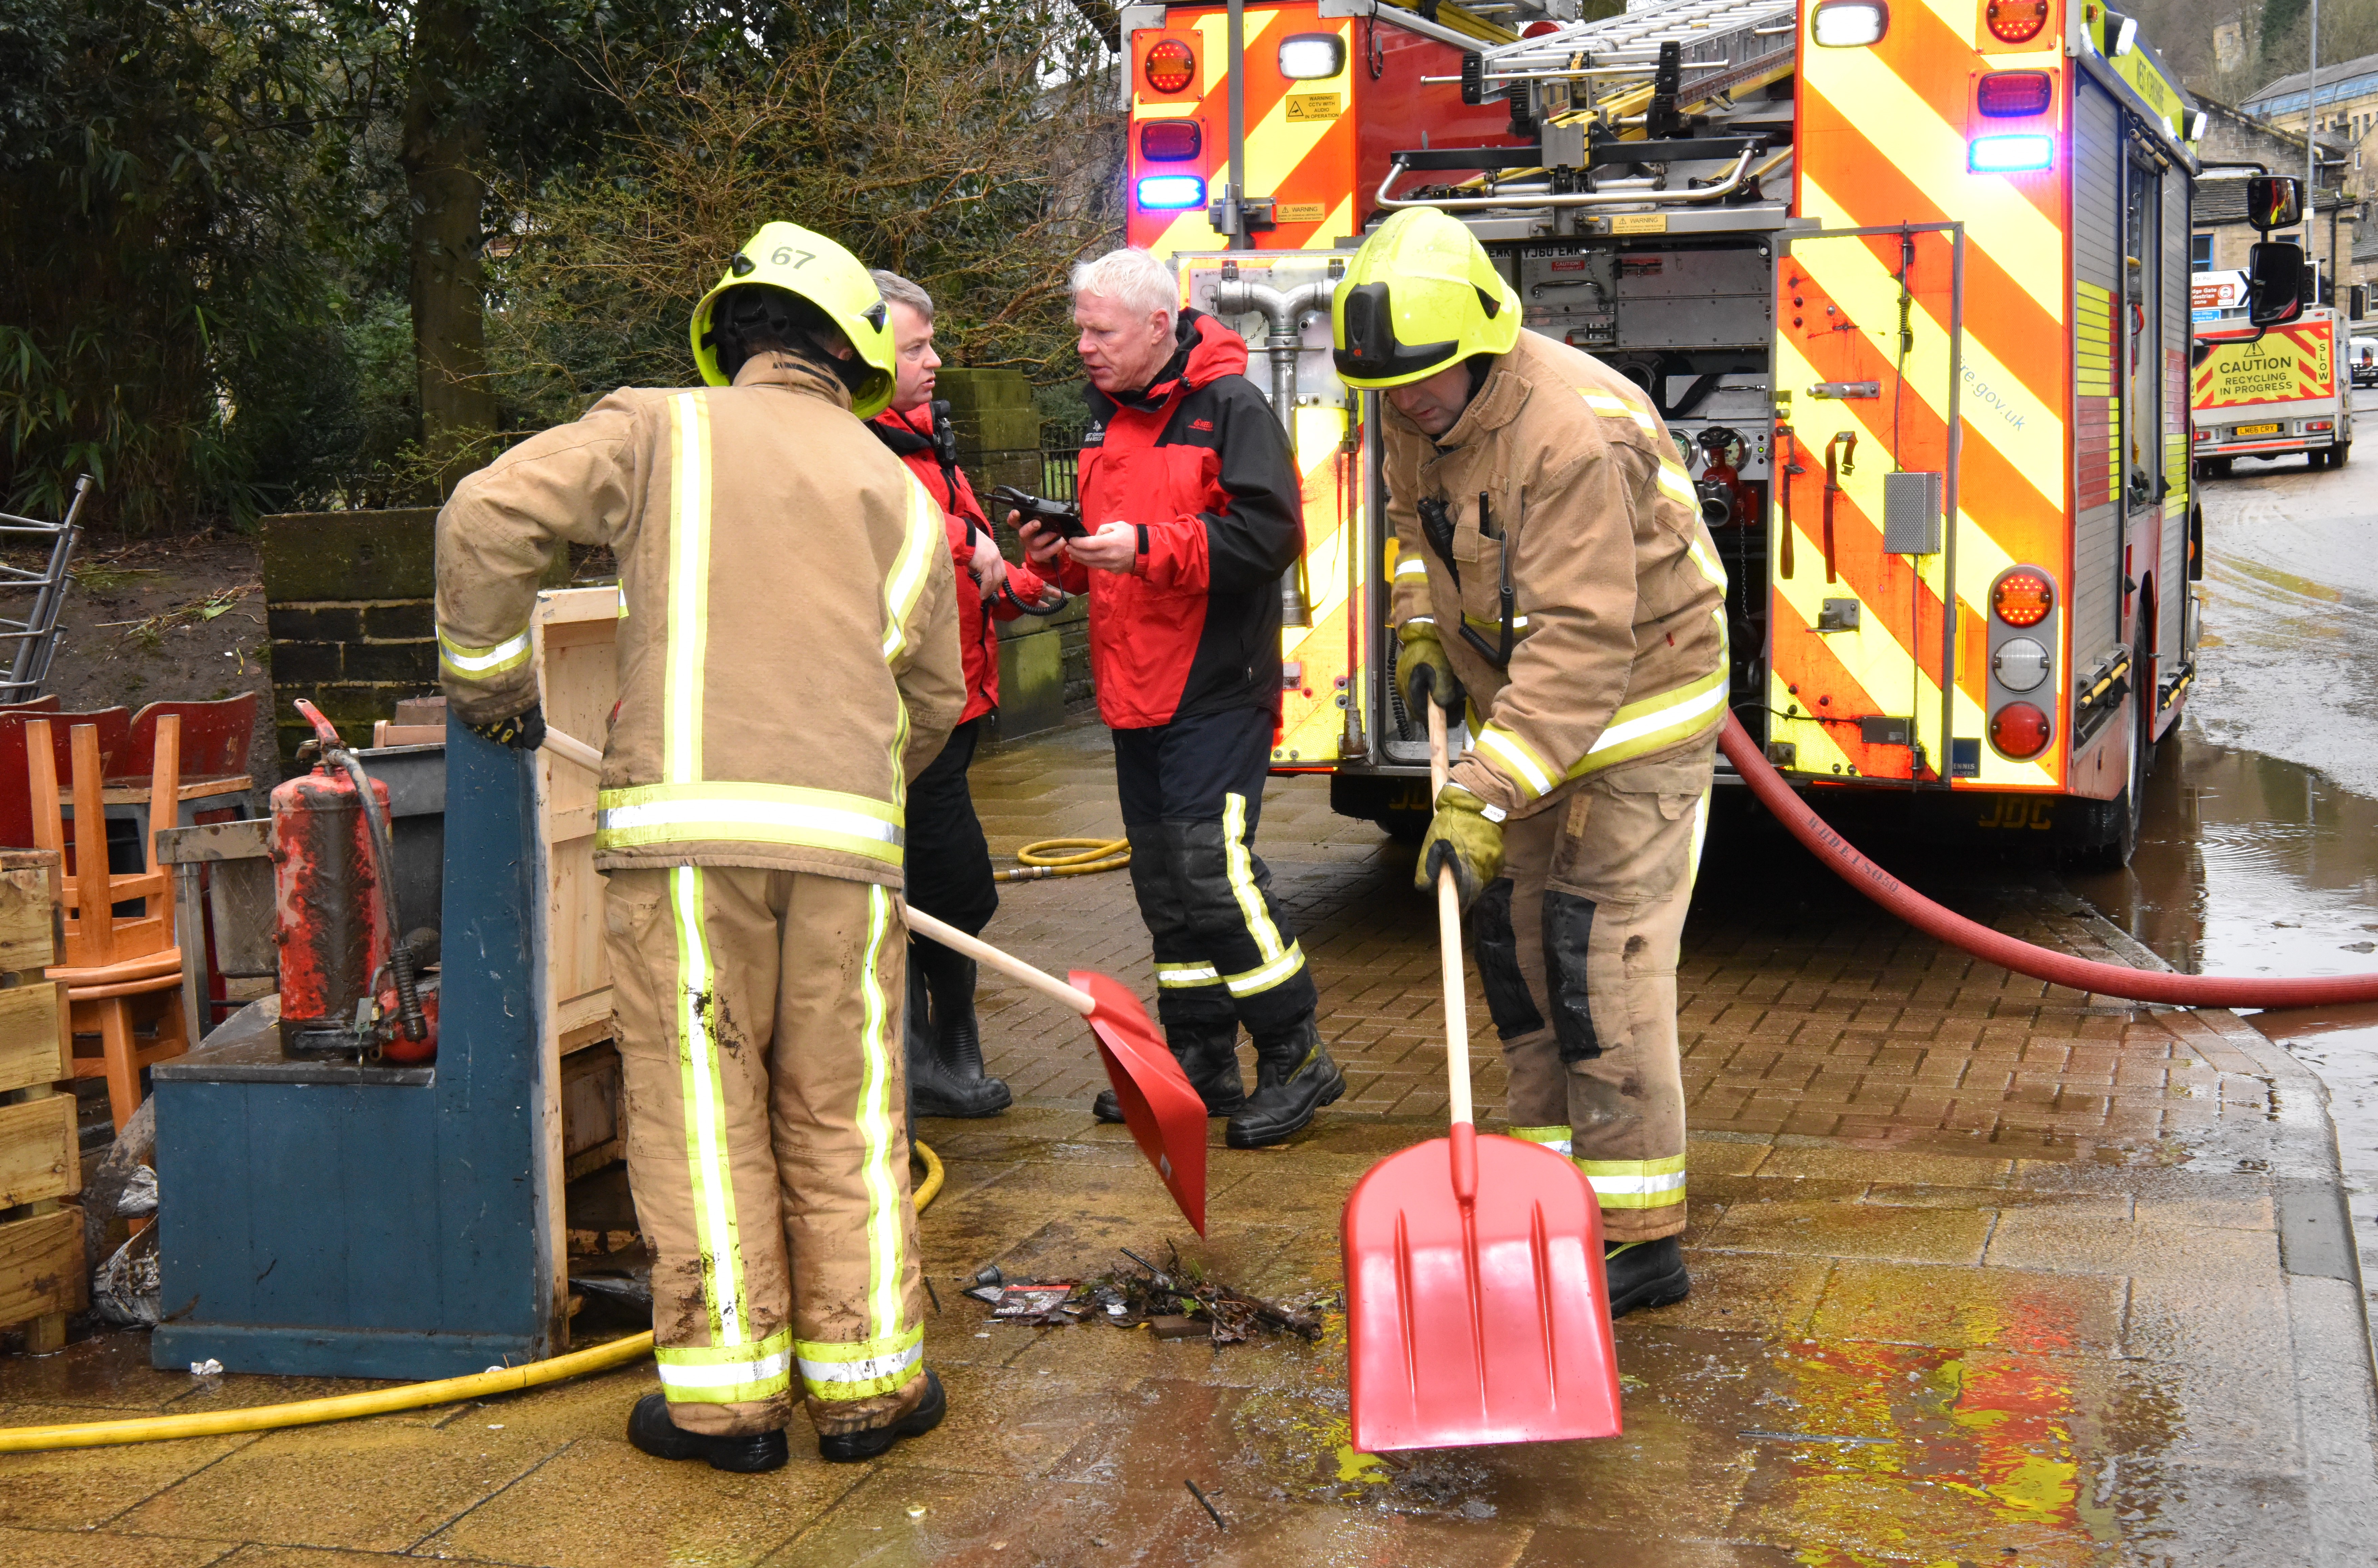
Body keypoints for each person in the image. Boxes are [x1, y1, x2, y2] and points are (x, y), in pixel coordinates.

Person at [435, 221, 962, 1471]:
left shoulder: (658, 428)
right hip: (851, 856)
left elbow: (483, 517)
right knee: (845, 1112)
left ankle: (728, 1406)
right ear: (855, 357)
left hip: (681, 849)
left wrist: (495, 682)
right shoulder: (903, 492)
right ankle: (869, 1391)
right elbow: (932, 701)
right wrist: (848, 781)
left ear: (731, 338)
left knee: (704, 1110)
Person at [1332, 208, 1728, 1317]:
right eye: (1389, 386)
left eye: (1423, 381)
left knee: (1598, 962)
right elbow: (1421, 526)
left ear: (1481, 344)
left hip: (1634, 705)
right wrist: (1420, 619)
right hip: (1531, 714)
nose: (1405, 402)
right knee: (1519, 952)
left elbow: (1582, 639)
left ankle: (1638, 1233)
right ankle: (1546, 1185)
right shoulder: (1416, 401)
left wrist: (1481, 789)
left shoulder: (1572, 436)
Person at [1015, 247, 1342, 1150]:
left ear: (1159, 326)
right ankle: (1202, 1059)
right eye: (1079, 327)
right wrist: (1060, 555)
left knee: (1214, 871)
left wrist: (1149, 548)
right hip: (1133, 689)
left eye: (1099, 329)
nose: (1082, 345)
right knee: (1167, 885)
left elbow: (1267, 536)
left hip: (1211, 687)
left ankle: (1297, 1053)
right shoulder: (1106, 420)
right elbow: (1113, 556)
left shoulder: (1231, 409)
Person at [865, 267, 1062, 1118]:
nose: (937, 361)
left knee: (939, 883)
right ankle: (924, 1056)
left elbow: (966, 547)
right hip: (903, 714)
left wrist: (1018, 583)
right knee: (944, 884)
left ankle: (944, 1046)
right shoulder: (853, 443)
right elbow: (875, 518)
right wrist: (965, 546)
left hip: (961, 704)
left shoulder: (923, 436)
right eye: (916, 348)